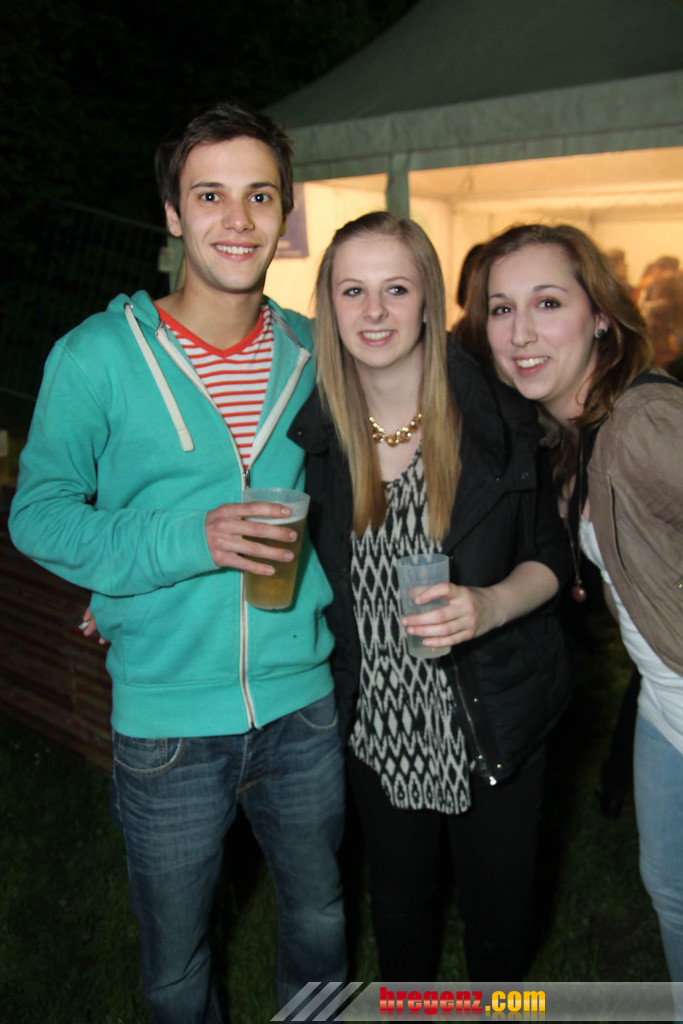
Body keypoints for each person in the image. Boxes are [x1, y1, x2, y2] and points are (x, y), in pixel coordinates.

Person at [9, 101, 346, 1023]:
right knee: (175, 963)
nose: (237, 219)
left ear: (285, 216)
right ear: (171, 214)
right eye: (209, 196)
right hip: (166, 725)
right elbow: (39, 514)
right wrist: (176, 545)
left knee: (319, 917)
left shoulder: (315, 352)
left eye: (259, 196)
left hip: (303, 707)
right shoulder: (96, 357)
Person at [289, 212, 572, 982]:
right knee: (399, 911)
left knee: (499, 924)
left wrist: (489, 605)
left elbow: (550, 556)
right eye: (352, 291)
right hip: (376, 723)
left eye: (396, 289)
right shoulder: (315, 437)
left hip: (489, 715)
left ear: (426, 301)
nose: (374, 311)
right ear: (329, 306)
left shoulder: (494, 418)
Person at [459, 222, 683, 1008]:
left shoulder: (643, 424)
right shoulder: (567, 437)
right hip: (662, 709)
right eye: (501, 308)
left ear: (600, 317)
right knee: (670, 890)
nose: (520, 332)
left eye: (547, 303)